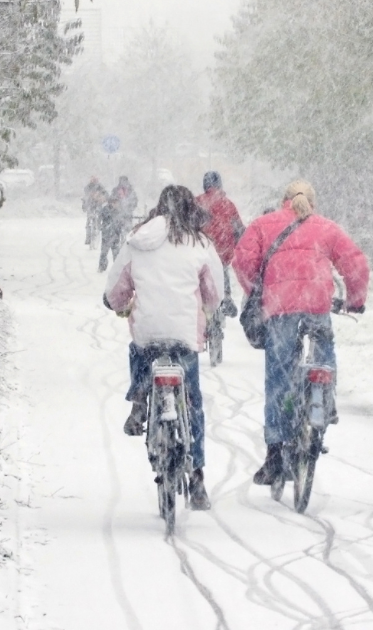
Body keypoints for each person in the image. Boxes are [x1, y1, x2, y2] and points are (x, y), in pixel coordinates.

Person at [232, 180, 369, 485]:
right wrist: (355, 300)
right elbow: (355, 262)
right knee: (324, 356)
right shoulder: (326, 228)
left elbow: (242, 260)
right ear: (312, 203)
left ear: (283, 200)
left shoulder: (263, 225)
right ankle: (325, 398)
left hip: (280, 309)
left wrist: (258, 288)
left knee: (280, 379)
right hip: (317, 304)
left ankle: (276, 454)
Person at [103, 185, 223, 510]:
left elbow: (117, 287)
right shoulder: (200, 243)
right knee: (193, 402)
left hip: (149, 330)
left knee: (140, 349)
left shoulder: (138, 239)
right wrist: (211, 307)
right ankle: (197, 478)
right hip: (184, 335)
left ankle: (140, 400)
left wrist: (114, 302)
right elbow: (214, 293)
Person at [196, 171, 245, 317]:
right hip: (222, 252)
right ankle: (226, 298)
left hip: (200, 251)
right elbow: (239, 231)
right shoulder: (228, 205)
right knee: (222, 271)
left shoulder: (197, 202)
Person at [97, 193, 124, 272]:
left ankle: (117, 267)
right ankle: (102, 266)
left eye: (117, 202)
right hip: (107, 234)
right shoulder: (106, 210)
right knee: (104, 251)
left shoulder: (119, 211)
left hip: (115, 234)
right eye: (114, 202)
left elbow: (122, 221)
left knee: (116, 252)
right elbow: (102, 218)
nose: (116, 204)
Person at [83, 177, 107, 247]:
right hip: (90, 206)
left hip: (97, 205)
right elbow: (85, 197)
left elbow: (105, 195)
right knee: (89, 221)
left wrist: (102, 198)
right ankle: (88, 237)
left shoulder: (100, 187)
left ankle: (96, 232)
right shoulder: (88, 187)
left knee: (97, 220)